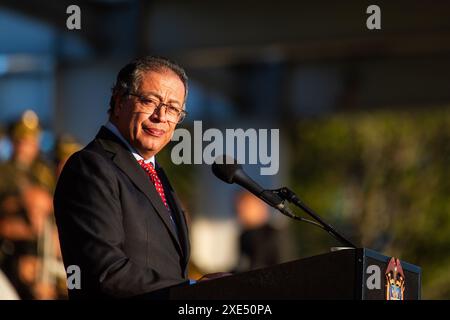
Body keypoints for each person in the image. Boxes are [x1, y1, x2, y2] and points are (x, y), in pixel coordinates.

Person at [54, 56, 227, 299]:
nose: (161, 116)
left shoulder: (157, 174)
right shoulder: (90, 167)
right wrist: (191, 290)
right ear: (118, 101)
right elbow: (106, 272)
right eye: (149, 101)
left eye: (173, 109)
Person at [234, 191, 284, 272]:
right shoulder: (244, 236)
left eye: (247, 207)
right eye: (238, 208)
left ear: (261, 207)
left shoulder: (273, 234)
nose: (241, 212)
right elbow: (242, 265)